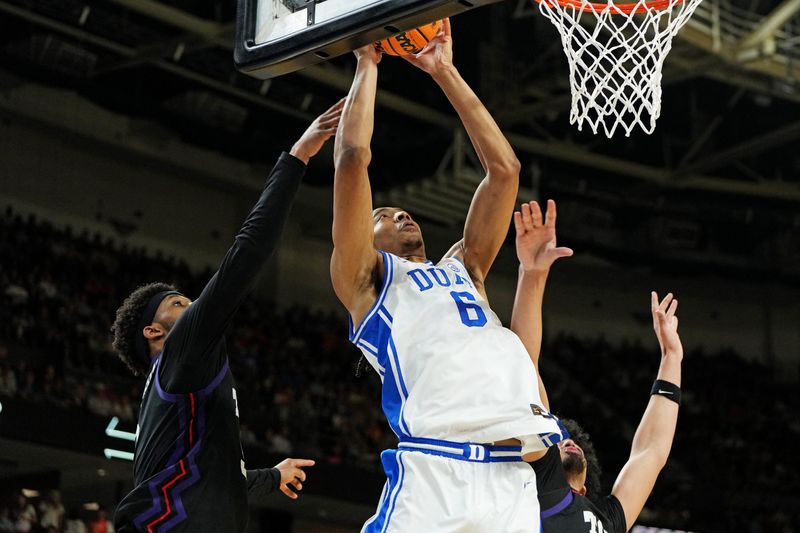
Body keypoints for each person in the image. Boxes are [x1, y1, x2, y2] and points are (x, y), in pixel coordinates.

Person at [331, 20, 564, 532]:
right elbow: (353, 159)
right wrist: (367, 64)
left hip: (513, 478)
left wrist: (444, 71)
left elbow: (504, 170)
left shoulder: (465, 269)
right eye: (383, 215)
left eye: (402, 212)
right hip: (437, 468)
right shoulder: (368, 283)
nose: (401, 216)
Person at [111, 100, 344, 532]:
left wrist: (273, 477)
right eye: (178, 303)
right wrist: (297, 158)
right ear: (153, 330)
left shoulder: (172, 391)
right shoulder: (182, 349)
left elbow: (214, 476)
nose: (193, 305)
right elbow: (249, 249)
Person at [510, 199, 683, 533]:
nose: (568, 441)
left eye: (565, 439)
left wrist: (672, 358)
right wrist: (532, 275)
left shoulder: (606, 520)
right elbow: (523, 367)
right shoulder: (540, 484)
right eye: (559, 439)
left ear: (585, 487)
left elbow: (650, 452)